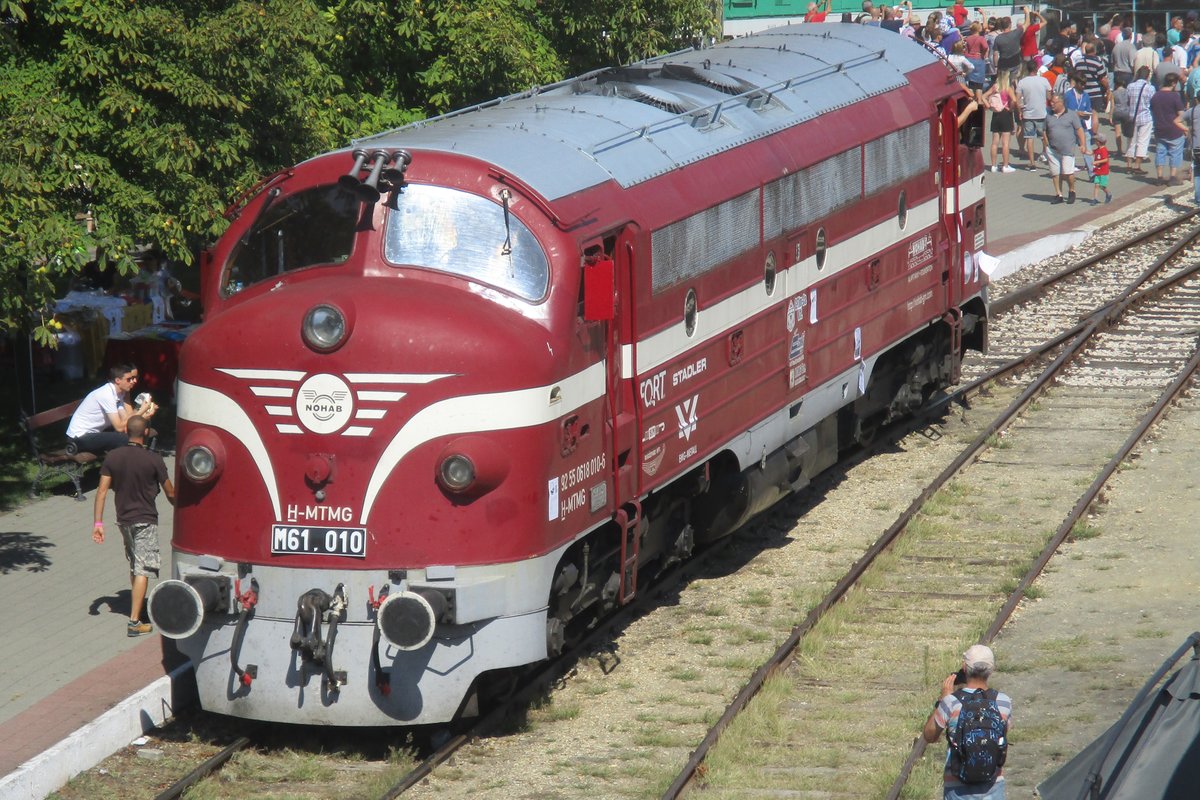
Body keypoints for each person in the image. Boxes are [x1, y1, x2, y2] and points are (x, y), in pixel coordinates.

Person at [92, 415, 175, 637]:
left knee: (135, 564)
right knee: (143, 568)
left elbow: (101, 492)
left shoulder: (113, 457)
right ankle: (134, 622)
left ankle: (136, 609)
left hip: (124, 520)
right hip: (145, 520)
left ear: (127, 432)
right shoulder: (154, 459)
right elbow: (170, 493)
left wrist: (98, 523)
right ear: (146, 432)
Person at [923, 644, 1013, 800]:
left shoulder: (951, 702)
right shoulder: (1003, 702)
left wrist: (942, 700)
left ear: (964, 667)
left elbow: (929, 735)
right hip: (993, 785)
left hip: (957, 789)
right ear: (991, 670)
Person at [65, 363, 158, 455]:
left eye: (133, 378)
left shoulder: (118, 394)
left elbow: (126, 421)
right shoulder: (106, 394)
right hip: (79, 438)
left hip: (92, 434)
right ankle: (123, 467)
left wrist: (145, 413)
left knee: (132, 434)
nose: (133, 381)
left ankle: (127, 466)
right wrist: (141, 410)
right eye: (129, 379)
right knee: (126, 439)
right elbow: (119, 427)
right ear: (118, 380)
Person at [1045, 92, 1089, 203]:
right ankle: (1058, 194)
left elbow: (1079, 130)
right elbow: (1044, 130)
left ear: (1061, 103)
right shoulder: (1048, 114)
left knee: (1068, 173)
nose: (1052, 104)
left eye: (1054, 102)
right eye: (1051, 102)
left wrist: (1083, 144)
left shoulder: (1071, 114)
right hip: (1052, 149)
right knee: (1055, 173)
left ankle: (1071, 190)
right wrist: (1045, 143)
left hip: (1067, 149)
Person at [1150, 73, 1187, 185]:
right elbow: (1181, 114)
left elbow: (1152, 111)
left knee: (1160, 152)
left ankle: (1159, 177)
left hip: (1159, 128)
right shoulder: (1175, 96)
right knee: (1175, 153)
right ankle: (1172, 177)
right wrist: (1185, 128)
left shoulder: (1155, 95)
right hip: (1174, 129)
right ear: (1173, 83)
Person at [1016, 58, 1050, 169]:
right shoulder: (1043, 80)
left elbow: (1018, 100)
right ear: (1036, 69)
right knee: (1044, 136)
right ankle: (1049, 157)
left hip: (1028, 113)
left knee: (1029, 137)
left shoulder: (1022, 82)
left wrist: (1020, 111)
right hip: (1041, 112)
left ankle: (1032, 162)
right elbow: (1049, 96)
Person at [985, 70, 1019, 172]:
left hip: (995, 115)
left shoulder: (995, 87)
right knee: (1005, 143)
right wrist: (1011, 108)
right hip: (1005, 114)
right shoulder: (1007, 88)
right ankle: (1005, 165)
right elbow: (1014, 100)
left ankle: (993, 165)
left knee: (994, 142)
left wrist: (990, 107)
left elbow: (983, 96)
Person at [1125, 66, 1156, 173]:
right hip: (1145, 116)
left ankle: (1128, 164)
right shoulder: (1150, 88)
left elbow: (1127, 101)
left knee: (1130, 141)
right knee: (1143, 141)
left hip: (1132, 117)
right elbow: (1153, 103)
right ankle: (1137, 165)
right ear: (1148, 76)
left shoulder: (1130, 86)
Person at [1092, 131, 1113, 204]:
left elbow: (1105, 159)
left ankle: (1108, 193)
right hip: (1098, 171)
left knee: (1102, 186)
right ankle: (1095, 198)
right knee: (1096, 185)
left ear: (1099, 142)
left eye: (1096, 140)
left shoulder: (1104, 150)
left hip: (1103, 171)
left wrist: (1096, 162)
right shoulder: (1098, 149)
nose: (1095, 142)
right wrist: (1085, 151)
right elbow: (1092, 152)